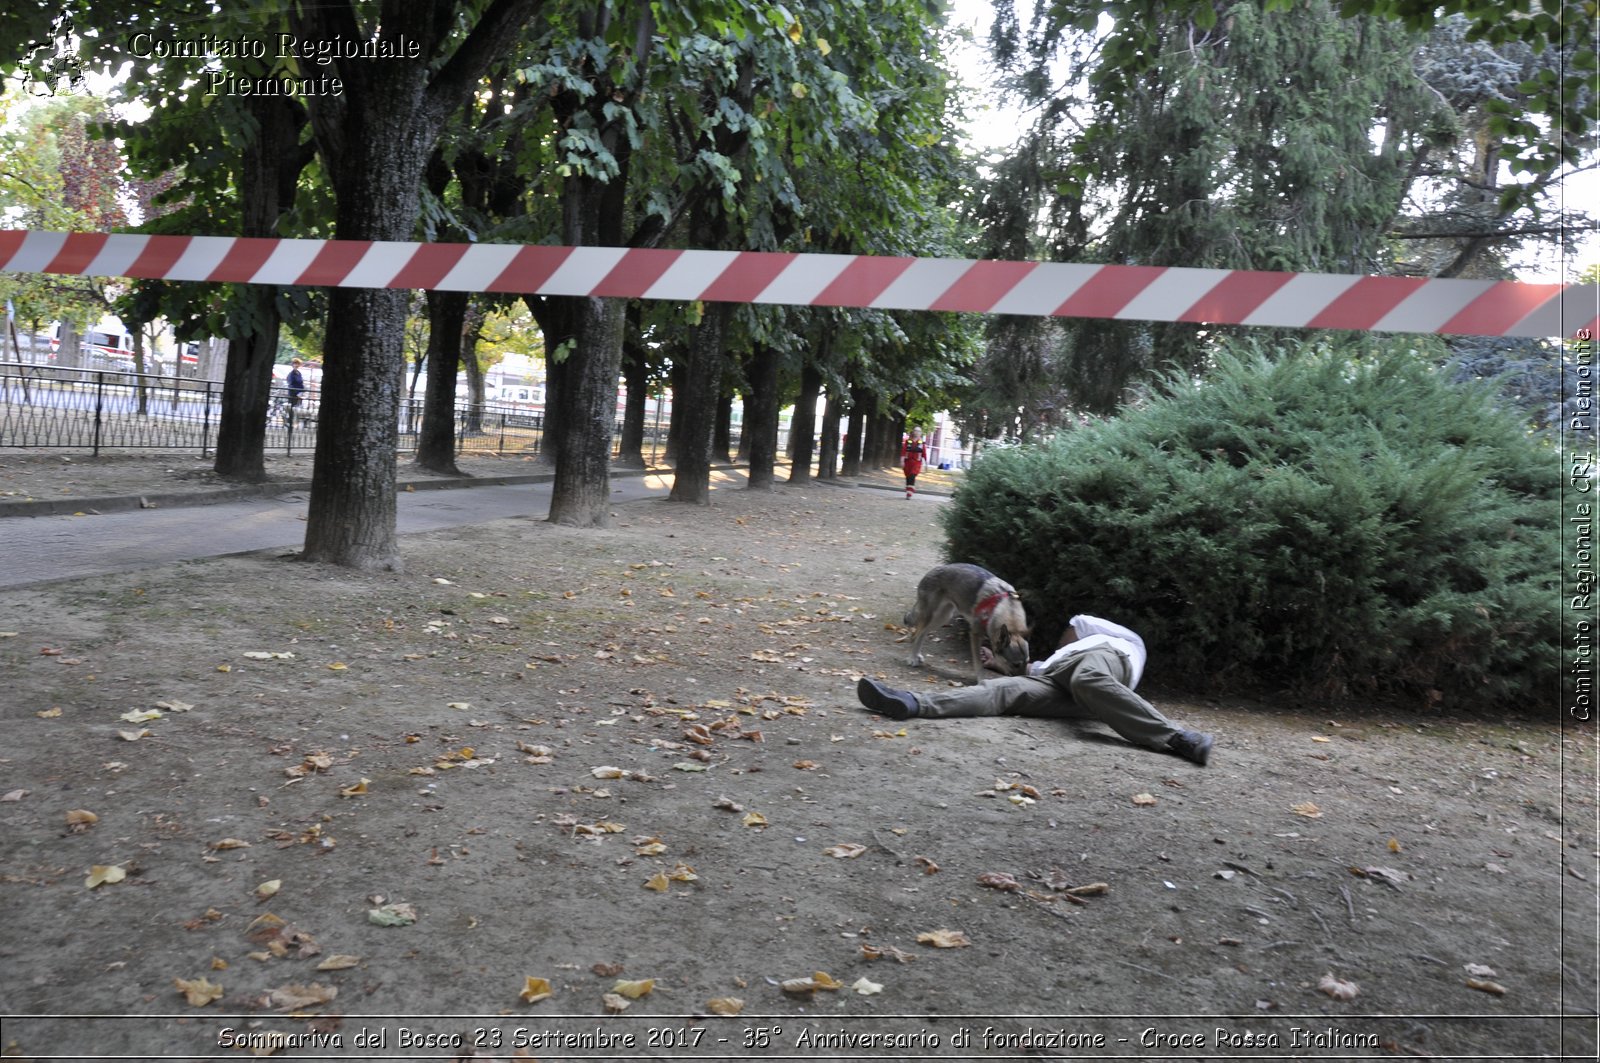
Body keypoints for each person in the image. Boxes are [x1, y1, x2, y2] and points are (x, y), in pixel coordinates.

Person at [856, 613, 1214, 765]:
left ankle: (1180, 739)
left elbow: (1079, 621)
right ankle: (912, 702)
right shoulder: (1052, 661)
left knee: (1087, 679)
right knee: (1003, 691)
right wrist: (1000, 665)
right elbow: (1031, 671)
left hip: (1105, 664)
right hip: (1063, 681)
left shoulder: (1119, 639)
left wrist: (1063, 648)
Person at [901, 429, 928, 499]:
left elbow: (924, 454)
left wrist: (925, 464)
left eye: (919, 431)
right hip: (907, 463)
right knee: (908, 477)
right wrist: (902, 461)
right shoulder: (908, 442)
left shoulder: (921, 443)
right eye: (916, 430)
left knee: (912, 475)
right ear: (913, 432)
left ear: (921, 433)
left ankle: (909, 492)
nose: (917, 432)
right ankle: (909, 490)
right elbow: (903, 452)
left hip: (917, 463)